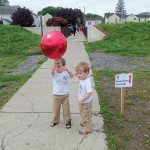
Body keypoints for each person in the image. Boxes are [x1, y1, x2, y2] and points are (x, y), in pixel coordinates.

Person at [50, 58, 74, 129]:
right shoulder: (54, 74)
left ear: (63, 66)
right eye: (56, 66)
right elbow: (52, 71)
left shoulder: (65, 73)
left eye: (59, 66)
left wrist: (67, 70)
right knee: (56, 109)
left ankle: (68, 121)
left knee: (66, 109)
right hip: (56, 95)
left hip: (65, 95)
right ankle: (55, 120)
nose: (57, 68)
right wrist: (55, 63)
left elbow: (72, 76)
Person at [75, 62, 93, 135]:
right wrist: (77, 72)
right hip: (82, 102)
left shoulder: (87, 82)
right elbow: (78, 73)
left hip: (85, 102)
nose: (78, 75)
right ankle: (88, 124)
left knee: (85, 116)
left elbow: (89, 93)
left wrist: (82, 100)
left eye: (80, 73)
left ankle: (87, 129)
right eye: (77, 73)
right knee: (84, 114)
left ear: (87, 73)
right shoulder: (83, 77)